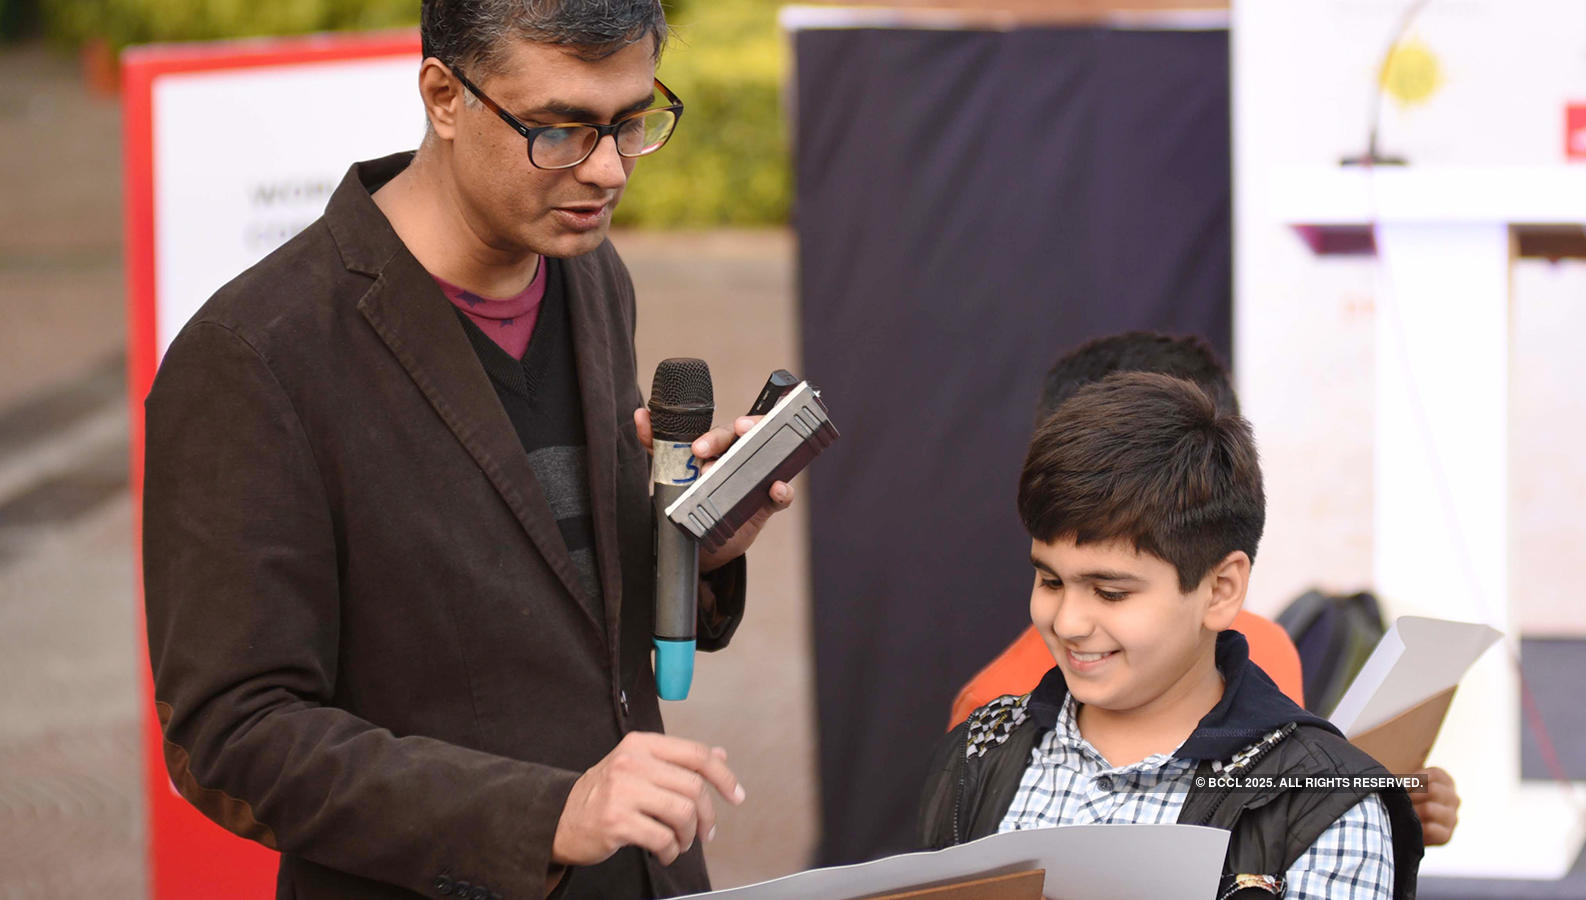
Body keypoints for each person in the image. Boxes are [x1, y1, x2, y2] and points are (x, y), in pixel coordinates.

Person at [141, 2, 791, 897]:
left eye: (632, 120)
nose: (608, 170)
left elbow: (549, 594)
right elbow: (233, 735)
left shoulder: (594, 276)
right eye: (560, 130)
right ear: (444, 96)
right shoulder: (255, 355)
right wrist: (546, 816)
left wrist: (698, 548)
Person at [917, 372, 1425, 899]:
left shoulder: (1322, 804)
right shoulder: (981, 750)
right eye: (1050, 581)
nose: (1068, 622)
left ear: (1220, 590)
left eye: (1110, 592)